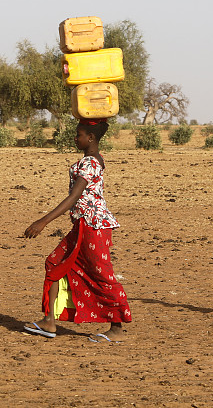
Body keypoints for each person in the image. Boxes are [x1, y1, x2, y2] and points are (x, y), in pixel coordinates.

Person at [22, 118, 131, 342]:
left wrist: (43, 221)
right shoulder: (94, 159)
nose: (75, 138)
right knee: (55, 263)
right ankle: (49, 321)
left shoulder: (90, 163)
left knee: (102, 275)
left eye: (79, 134)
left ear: (90, 138)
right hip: (83, 224)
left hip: (93, 226)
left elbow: (73, 198)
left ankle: (117, 329)